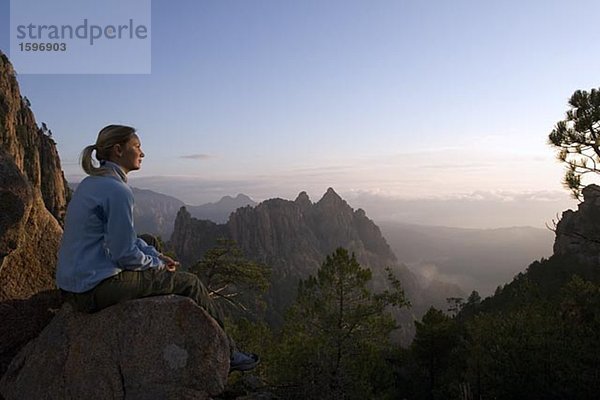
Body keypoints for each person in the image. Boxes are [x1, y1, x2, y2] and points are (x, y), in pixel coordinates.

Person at [56, 124, 258, 372]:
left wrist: (155, 254)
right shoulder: (117, 191)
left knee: (149, 241)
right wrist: (159, 265)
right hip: (92, 290)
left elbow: (121, 238)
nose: (143, 153)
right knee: (190, 283)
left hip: (72, 283)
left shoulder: (91, 183)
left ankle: (156, 257)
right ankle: (229, 352)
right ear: (118, 150)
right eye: (137, 146)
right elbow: (124, 255)